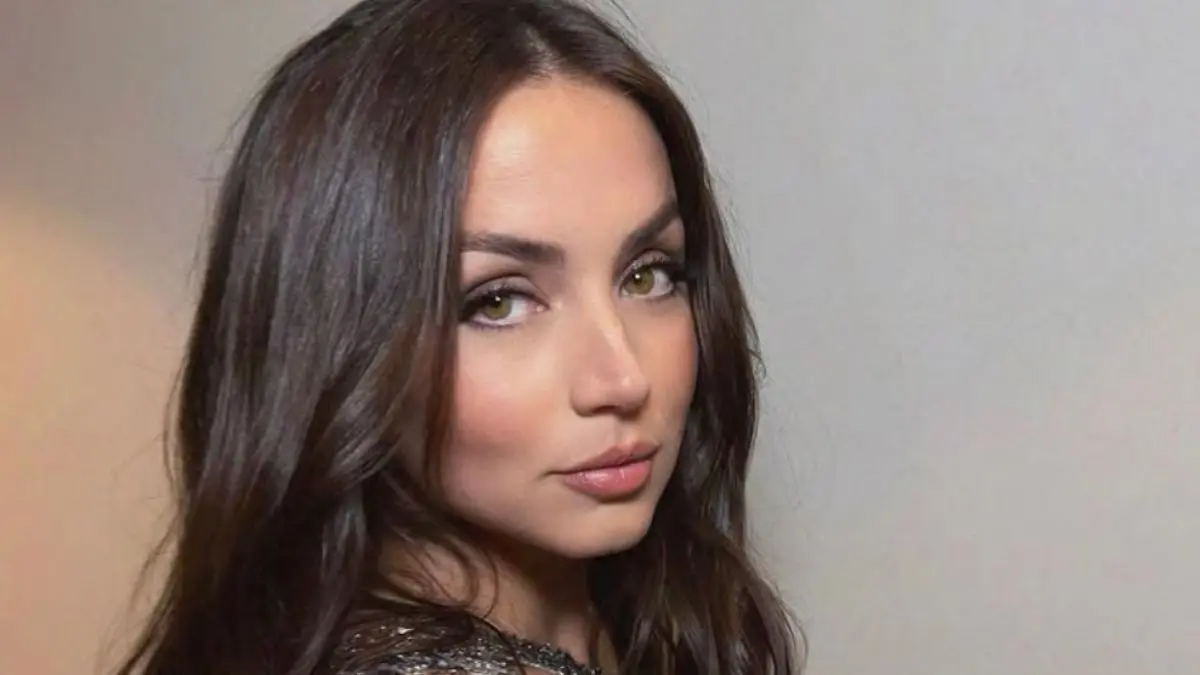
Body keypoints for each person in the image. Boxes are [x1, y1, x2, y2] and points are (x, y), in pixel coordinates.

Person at [115, 1, 802, 674]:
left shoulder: (608, 619)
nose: (623, 378)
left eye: (648, 275)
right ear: (339, 336)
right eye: (499, 301)